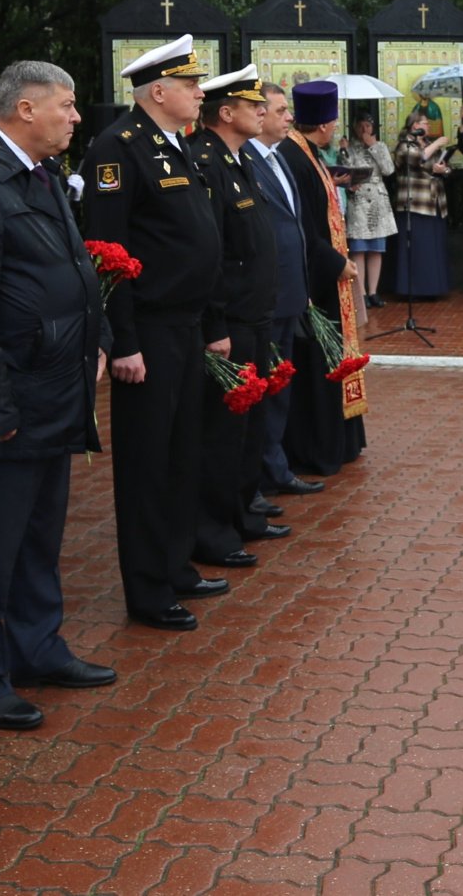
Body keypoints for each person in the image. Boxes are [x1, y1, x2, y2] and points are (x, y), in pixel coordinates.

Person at [0, 59, 116, 731]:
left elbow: (71, 266)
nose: (75, 117)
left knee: (40, 536)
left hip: (54, 388)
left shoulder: (37, 175)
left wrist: (99, 334)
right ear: (24, 109)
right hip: (8, 397)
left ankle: (38, 647)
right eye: (65, 105)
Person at [79, 35, 228, 632]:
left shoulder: (175, 145)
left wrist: (212, 322)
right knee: (146, 462)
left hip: (187, 324)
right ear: (157, 91)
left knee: (182, 453)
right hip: (151, 330)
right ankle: (147, 588)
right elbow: (107, 253)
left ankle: (175, 565)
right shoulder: (118, 149)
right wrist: (124, 339)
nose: (200, 92)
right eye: (191, 84)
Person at [187, 66, 291, 568]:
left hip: (255, 314)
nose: (261, 112)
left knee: (246, 430)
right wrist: (217, 326)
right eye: (254, 106)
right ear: (225, 113)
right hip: (230, 318)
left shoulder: (237, 159)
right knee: (223, 434)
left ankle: (242, 514)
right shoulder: (205, 161)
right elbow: (211, 253)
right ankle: (213, 530)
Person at [279, 80, 368, 476]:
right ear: (326, 124)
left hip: (325, 272)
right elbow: (304, 225)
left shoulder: (307, 153)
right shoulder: (296, 158)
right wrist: (337, 264)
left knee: (329, 356)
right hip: (317, 279)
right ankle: (319, 446)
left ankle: (341, 439)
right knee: (319, 359)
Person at [251, 83, 325, 499]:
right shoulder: (245, 160)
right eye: (281, 110)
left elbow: (293, 228)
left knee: (279, 388)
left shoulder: (279, 160)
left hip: (290, 293)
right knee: (262, 387)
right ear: (259, 115)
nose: (289, 118)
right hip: (265, 296)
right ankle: (260, 473)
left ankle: (276, 468)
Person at [391, 109, 452, 300]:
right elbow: (419, 158)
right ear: (415, 125)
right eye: (424, 123)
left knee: (432, 248)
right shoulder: (404, 145)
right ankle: (414, 290)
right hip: (415, 203)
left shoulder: (427, 145)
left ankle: (434, 288)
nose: (427, 126)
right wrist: (437, 143)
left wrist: (443, 170)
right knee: (417, 248)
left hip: (434, 202)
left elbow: (442, 166)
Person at [336, 112, 394, 312]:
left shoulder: (381, 146)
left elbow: (388, 170)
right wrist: (343, 151)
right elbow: (343, 171)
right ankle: (360, 293)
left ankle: (373, 291)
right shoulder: (349, 148)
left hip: (377, 200)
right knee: (359, 248)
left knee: (376, 249)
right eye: (360, 126)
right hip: (359, 200)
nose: (364, 131)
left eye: (368, 126)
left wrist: (374, 146)